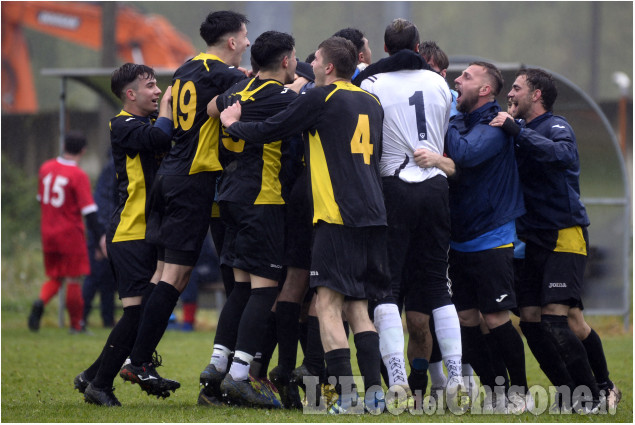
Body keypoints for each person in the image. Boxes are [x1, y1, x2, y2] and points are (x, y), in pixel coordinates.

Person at [221, 36, 388, 414]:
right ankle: (375, 396)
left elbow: (270, 130)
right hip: (374, 214)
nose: (308, 65)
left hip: (336, 215)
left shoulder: (321, 97)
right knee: (358, 308)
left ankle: (345, 398)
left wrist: (233, 123)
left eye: (315, 61)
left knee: (327, 304)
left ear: (329, 67)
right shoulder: (371, 101)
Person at [118, 10, 250, 398]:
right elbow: (253, 91)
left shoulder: (185, 68)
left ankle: (133, 359)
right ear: (230, 41)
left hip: (172, 176)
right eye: (244, 37)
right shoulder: (223, 73)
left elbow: (204, 109)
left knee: (163, 276)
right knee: (175, 278)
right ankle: (137, 360)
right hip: (192, 180)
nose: (246, 44)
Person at [491, 67, 620, 413]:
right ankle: (570, 392)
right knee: (531, 319)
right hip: (532, 239)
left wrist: (516, 131)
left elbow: (563, 157)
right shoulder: (515, 132)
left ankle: (595, 393)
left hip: (564, 233)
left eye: (516, 88)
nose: (510, 94)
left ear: (536, 95)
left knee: (556, 320)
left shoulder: (556, 126)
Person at [358, 19, 463, 410]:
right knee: (438, 285)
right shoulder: (439, 84)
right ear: (419, 49)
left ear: (386, 50)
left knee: (386, 286)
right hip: (435, 186)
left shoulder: (372, 85)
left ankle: (398, 379)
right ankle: (455, 378)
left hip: (393, 184)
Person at [198, 30, 298, 409]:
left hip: (229, 197)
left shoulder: (236, 93)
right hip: (263, 199)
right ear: (287, 60)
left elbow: (211, 110)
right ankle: (240, 376)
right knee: (264, 290)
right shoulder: (285, 98)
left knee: (240, 289)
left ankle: (216, 367)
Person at [73, 63, 175, 406]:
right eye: (151, 86)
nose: (158, 91)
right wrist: (171, 107)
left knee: (142, 313)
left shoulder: (142, 123)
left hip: (145, 232)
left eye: (159, 86)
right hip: (129, 232)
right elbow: (161, 137)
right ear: (130, 94)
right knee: (135, 314)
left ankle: (91, 376)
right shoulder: (122, 124)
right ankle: (100, 385)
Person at [445, 61, 531, 413]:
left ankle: (520, 393)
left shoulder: (496, 124)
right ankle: (495, 391)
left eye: (466, 76)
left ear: (484, 90)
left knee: (496, 318)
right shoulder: (465, 121)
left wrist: (449, 113)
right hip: (458, 238)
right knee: (466, 319)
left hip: (491, 236)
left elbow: (464, 154)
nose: (457, 80)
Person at [28, 131, 104, 334]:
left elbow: (40, 200)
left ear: (63, 146)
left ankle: (40, 301)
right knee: (73, 279)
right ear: (83, 150)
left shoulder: (46, 167)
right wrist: (99, 240)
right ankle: (76, 325)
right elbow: (89, 211)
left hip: (48, 232)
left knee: (56, 276)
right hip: (70, 234)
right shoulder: (78, 175)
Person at [82, 152, 117, 329]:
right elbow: (104, 202)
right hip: (103, 232)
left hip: (108, 230)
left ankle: (108, 319)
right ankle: (81, 318)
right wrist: (101, 236)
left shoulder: (114, 165)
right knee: (94, 276)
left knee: (108, 280)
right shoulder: (113, 167)